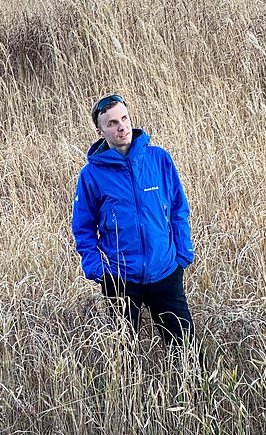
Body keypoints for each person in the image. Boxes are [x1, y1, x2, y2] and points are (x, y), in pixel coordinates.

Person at [71, 94, 195, 347]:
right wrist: (98, 270)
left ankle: (194, 387)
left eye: (124, 118)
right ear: (101, 131)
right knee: (124, 356)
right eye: (112, 123)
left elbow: (178, 210)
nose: (121, 127)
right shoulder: (91, 175)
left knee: (186, 350)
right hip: (120, 277)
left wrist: (182, 255)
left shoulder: (159, 159)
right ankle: (129, 388)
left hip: (165, 270)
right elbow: (83, 228)